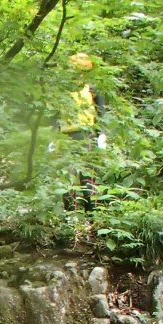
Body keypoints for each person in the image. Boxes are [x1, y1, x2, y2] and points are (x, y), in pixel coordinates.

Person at [59, 53, 106, 212]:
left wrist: (103, 134)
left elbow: (101, 112)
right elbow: (53, 114)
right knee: (68, 178)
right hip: (65, 137)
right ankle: (70, 217)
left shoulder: (93, 87)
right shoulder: (61, 89)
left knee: (87, 177)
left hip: (88, 135)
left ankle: (92, 215)